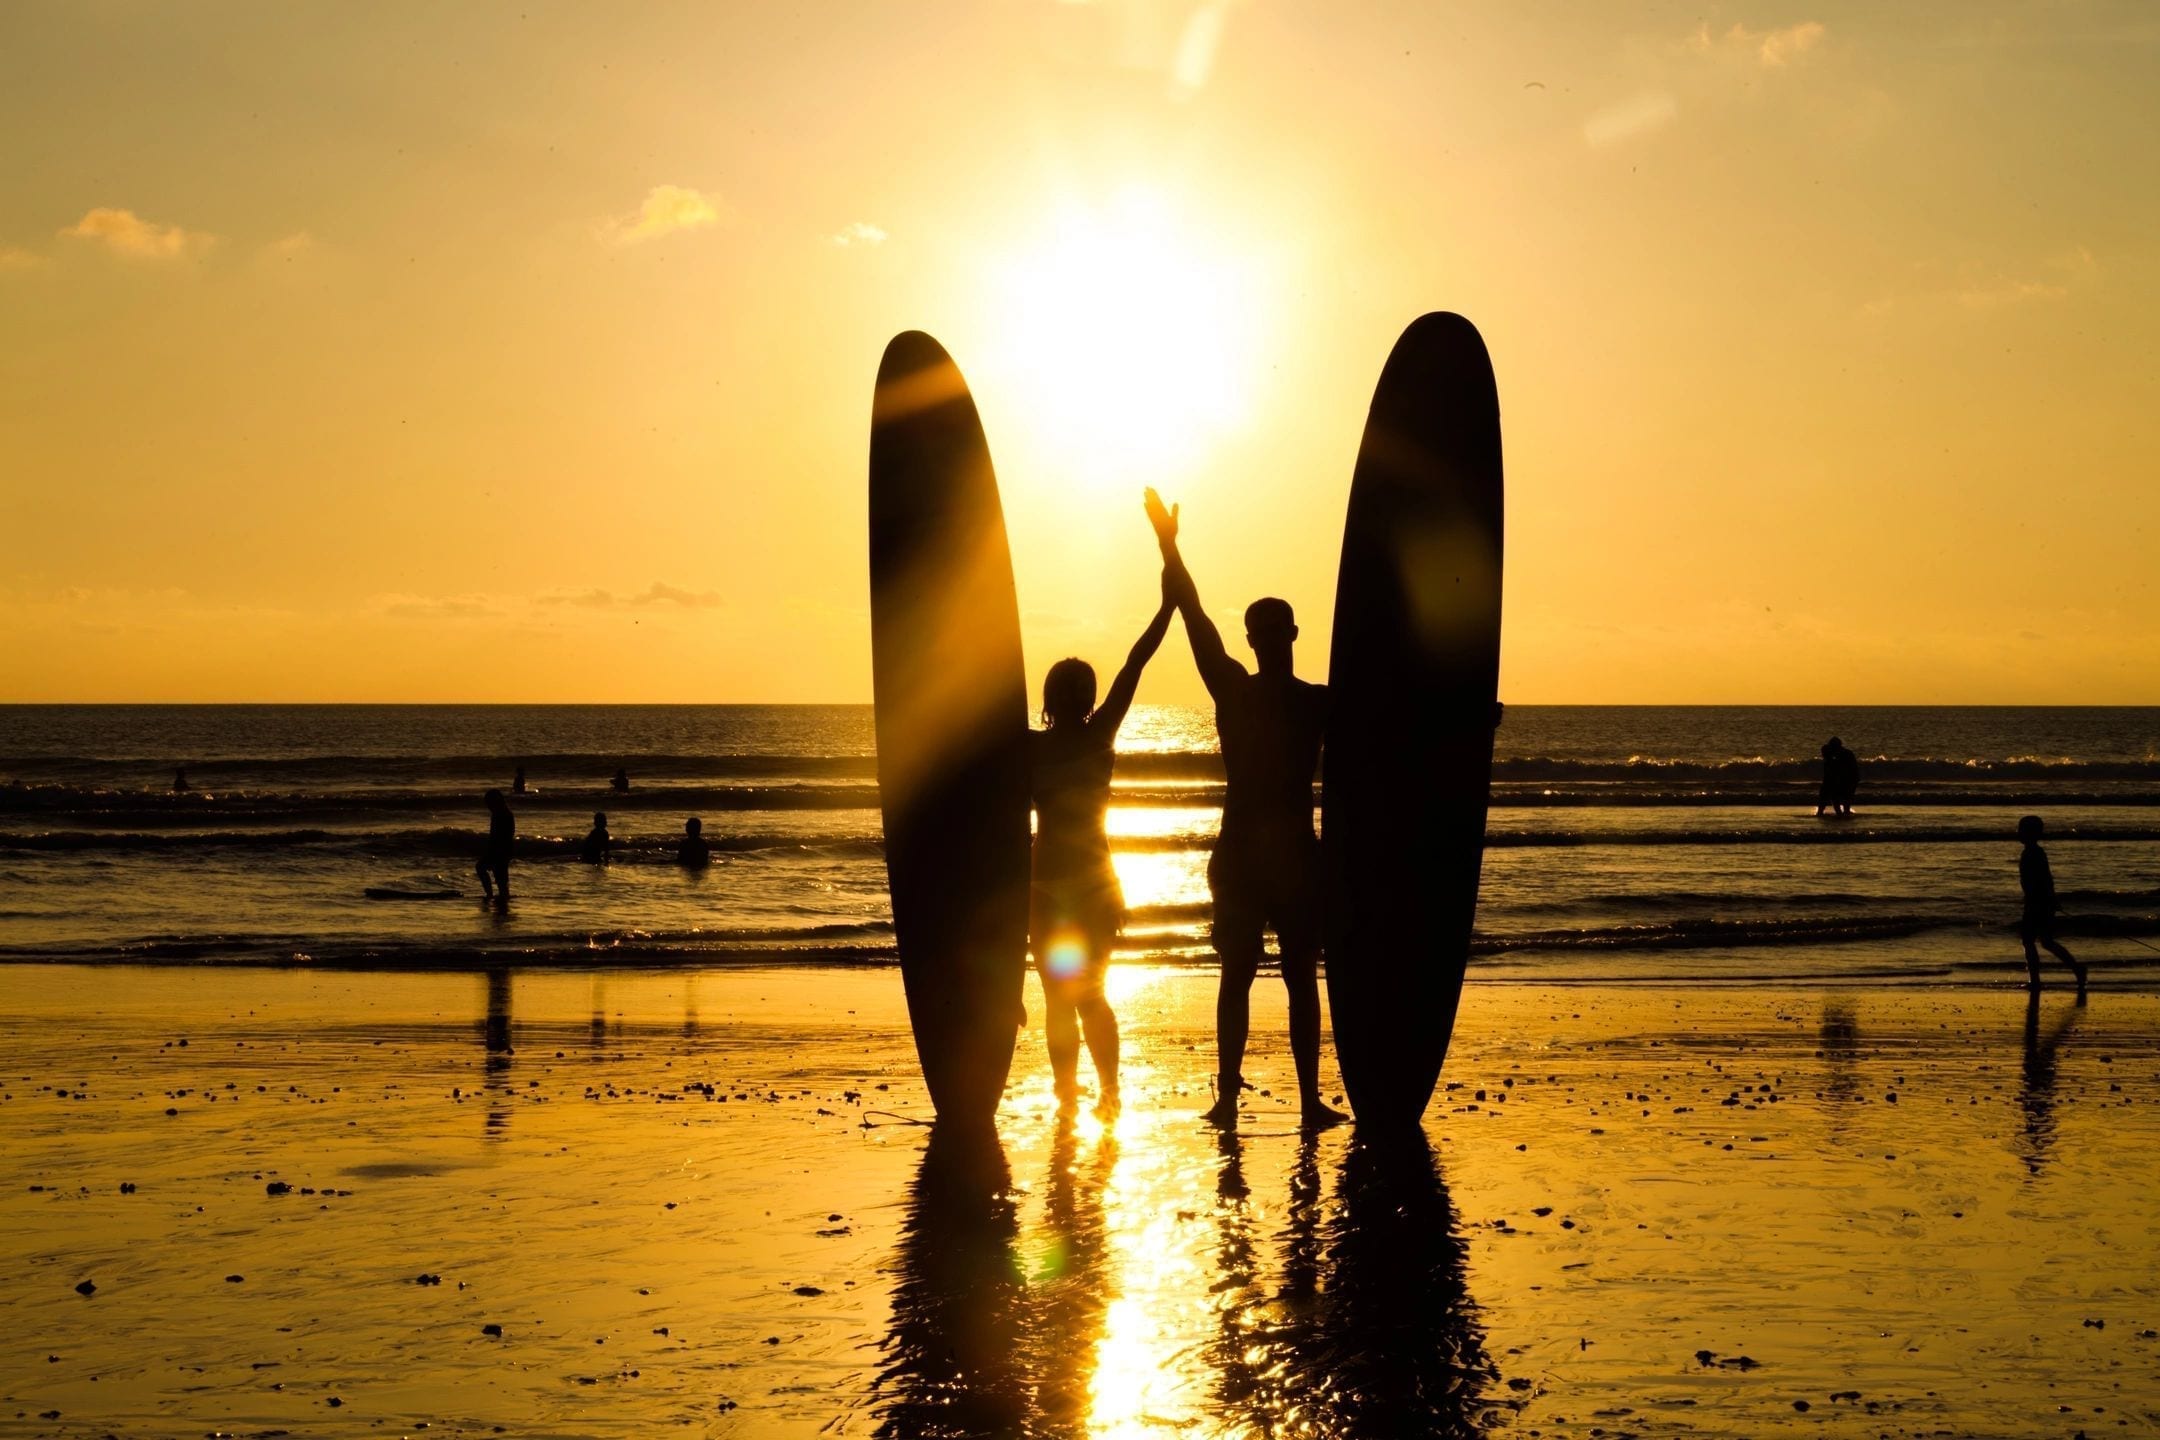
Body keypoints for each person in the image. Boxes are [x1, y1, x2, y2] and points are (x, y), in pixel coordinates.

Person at [1148, 488, 1346, 1130]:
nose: (1265, 640)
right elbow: (1399, 717)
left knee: (1267, 978)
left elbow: (1192, 612)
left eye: (1263, 633)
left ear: (1266, 638)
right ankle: (1258, 1097)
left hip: (1256, 857)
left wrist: (1169, 543)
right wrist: (1168, 545)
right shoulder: (1309, 703)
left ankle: (1251, 1099)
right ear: (1282, 635)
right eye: (1265, 633)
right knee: (1279, 978)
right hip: (1277, 857)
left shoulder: (1247, 693)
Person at [1029, 569, 1174, 1117]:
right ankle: (1104, 1092)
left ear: (1050, 696)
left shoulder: (1031, 749)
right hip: (1091, 887)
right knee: (1090, 995)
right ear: (1088, 697)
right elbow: (1135, 663)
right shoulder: (1098, 737)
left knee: (1060, 998)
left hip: (1047, 886)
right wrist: (1168, 606)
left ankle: (1072, 1093)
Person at [2017, 815, 2086, 992]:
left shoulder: (2033, 853)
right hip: (2040, 902)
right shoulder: (2034, 852)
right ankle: (2076, 969)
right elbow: (2046, 879)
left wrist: (2045, 899)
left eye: (2022, 829)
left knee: (2030, 941)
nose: (2018, 833)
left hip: (2037, 903)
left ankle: (2035, 981)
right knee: (2045, 942)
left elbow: (2044, 879)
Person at [477, 788, 515, 904]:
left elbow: (501, 835)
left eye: (489, 802)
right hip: (502, 850)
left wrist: (495, 851)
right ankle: (499, 897)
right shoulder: (501, 813)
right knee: (500, 877)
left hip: (500, 850)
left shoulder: (501, 814)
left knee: (496, 875)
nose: (488, 806)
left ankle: (492, 895)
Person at [1816, 737, 1858, 817]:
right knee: (1829, 796)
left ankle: (1843, 812)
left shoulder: (1846, 754)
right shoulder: (1830, 753)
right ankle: (1839, 813)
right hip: (1834, 779)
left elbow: (1852, 770)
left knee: (1844, 798)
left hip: (1846, 779)